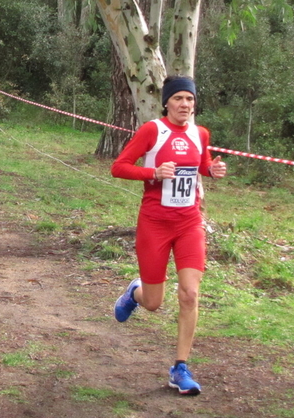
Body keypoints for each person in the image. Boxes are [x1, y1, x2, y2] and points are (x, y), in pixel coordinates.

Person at [111, 75, 227, 396]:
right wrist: (153, 172)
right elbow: (119, 167)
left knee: (189, 294)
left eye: (189, 100)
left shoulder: (200, 133)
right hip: (155, 223)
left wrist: (211, 170)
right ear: (167, 102)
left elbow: (200, 165)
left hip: (189, 222)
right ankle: (135, 292)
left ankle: (180, 368)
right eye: (178, 99)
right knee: (153, 302)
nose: (185, 105)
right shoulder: (153, 131)